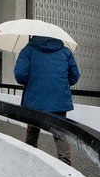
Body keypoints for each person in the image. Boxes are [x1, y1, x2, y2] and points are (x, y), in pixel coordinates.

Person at [13, 35, 80, 165]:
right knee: (60, 133)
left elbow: (20, 75)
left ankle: (30, 159)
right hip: (59, 100)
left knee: (32, 130)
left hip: (34, 99)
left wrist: (32, 83)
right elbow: (75, 76)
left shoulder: (28, 50)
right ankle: (65, 165)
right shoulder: (65, 51)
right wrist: (60, 86)